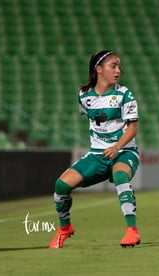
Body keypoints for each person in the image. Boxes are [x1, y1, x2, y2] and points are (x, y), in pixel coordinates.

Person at [49, 50, 140, 249]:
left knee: (120, 177)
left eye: (119, 66)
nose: (118, 70)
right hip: (97, 155)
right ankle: (65, 228)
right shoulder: (84, 96)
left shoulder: (124, 94)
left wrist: (116, 146)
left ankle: (132, 231)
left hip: (124, 151)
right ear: (99, 69)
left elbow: (133, 128)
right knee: (61, 186)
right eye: (113, 66)